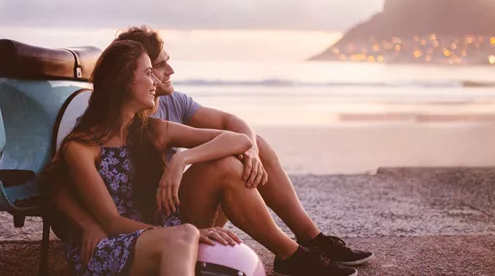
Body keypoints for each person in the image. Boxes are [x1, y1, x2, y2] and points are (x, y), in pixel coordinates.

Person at [44, 39, 358, 276]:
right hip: (116, 242)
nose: (157, 81)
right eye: (150, 72)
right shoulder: (82, 147)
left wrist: (182, 161)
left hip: (164, 226)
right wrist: (192, 232)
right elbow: (112, 222)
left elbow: (236, 139)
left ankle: (293, 255)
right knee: (184, 235)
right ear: (125, 82)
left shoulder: (151, 130)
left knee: (227, 166)